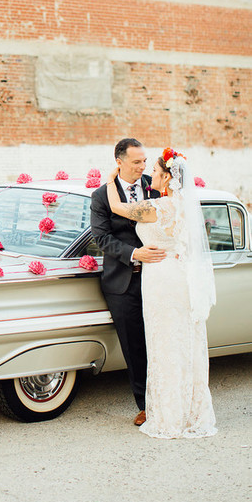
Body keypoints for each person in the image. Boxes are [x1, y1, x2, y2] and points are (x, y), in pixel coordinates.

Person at [106, 148, 217, 439]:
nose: (149, 174)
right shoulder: (183, 205)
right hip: (178, 277)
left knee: (165, 346)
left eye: (154, 171)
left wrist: (110, 180)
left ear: (167, 177)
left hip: (162, 280)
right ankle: (191, 411)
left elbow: (118, 208)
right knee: (183, 345)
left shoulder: (160, 207)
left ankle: (170, 416)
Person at [90, 138, 163, 425]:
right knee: (134, 347)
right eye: (136, 162)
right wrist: (135, 253)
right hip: (123, 282)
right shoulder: (100, 196)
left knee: (160, 342)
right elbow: (102, 238)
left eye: (145, 161)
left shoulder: (155, 186)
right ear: (119, 162)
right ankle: (145, 405)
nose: (142, 166)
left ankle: (167, 398)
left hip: (157, 278)